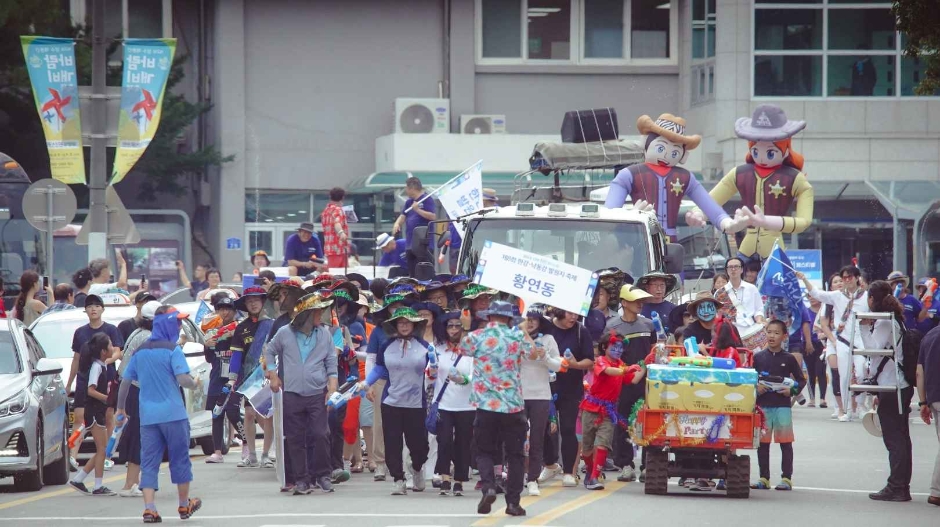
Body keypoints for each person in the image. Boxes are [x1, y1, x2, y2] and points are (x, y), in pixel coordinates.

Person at [117, 306, 202, 523]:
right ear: (167, 324)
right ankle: (184, 505)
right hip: (174, 414)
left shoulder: (140, 351)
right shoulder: (173, 349)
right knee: (180, 459)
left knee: (149, 462)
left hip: (148, 417)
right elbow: (184, 379)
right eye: (177, 322)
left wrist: (120, 408)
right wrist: (195, 383)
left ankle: (149, 508)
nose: (180, 326)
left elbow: (125, 381)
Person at [459, 300, 534, 517]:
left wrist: (465, 326)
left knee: (484, 450)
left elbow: (463, 349)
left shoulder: (477, 336)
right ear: (510, 318)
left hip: (485, 404)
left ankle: (489, 486)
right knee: (516, 455)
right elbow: (534, 354)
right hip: (512, 405)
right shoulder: (516, 336)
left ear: (489, 317)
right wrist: (525, 331)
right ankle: (513, 503)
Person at [265, 291, 339, 495]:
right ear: (305, 315)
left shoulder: (324, 334)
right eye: (317, 313)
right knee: (295, 437)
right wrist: (273, 375)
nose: (321, 316)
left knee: (320, 434)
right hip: (292, 393)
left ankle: (323, 475)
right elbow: (269, 351)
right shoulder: (284, 332)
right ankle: (301, 480)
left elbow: (332, 364)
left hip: (317, 393)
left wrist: (332, 389)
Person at [358, 307, 435, 496]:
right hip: (391, 402)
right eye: (401, 323)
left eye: (408, 322)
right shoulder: (386, 345)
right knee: (392, 443)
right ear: (395, 325)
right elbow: (381, 369)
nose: (404, 326)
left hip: (416, 404)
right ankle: (398, 479)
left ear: (414, 325)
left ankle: (416, 469)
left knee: (419, 446)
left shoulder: (425, 347)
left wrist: (433, 366)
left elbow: (433, 372)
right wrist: (367, 382)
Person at [863, 281, 915, 502]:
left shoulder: (884, 323)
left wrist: (863, 327)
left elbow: (872, 351)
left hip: (892, 387)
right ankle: (901, 486)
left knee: (894, 439)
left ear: (872, 300)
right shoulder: (895, 320)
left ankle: (897, 487)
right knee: (902, 438)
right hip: (898, 386)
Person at [799, 265, 868, 421]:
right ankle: (847, 410)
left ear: (857, 278)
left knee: (862, 373)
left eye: (850, 277)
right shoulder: (837, 295)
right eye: (844, 277)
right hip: (842, 340)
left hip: (861, 341)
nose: (847, 280)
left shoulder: (866, 296)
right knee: (844, 376)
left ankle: (861, 405)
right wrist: (804, 279)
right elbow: (816, 293)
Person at [537, 308, 595, 488]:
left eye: (576, 314)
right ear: (559, 312)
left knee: (568, 428)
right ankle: (550, 464)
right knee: (545, 427)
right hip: (545, 386)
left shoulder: (580, 331)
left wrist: (575, 364)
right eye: (569, 313)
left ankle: (569, 471)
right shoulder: (546, 328)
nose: (573, 317)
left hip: (571, 387)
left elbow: (590, 361)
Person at [66, 294, 124, 467]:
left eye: (97, 306)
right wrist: (69, 383)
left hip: (105, 380)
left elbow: (117, 352)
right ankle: (72, 455)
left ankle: (107, 456)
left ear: (102, 309)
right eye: (90, 306)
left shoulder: (111, 330)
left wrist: (105, 362)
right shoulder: (80, 332)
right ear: (85, 310)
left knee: (107, 418)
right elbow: (76, 359)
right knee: (79, 418)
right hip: (84, 380)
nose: (93, 309)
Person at [581, 331, 643, 491]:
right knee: (586, 448)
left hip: (609, 410)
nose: (618, 350)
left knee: (603, 443)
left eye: (620, 347)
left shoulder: (621, 364)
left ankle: (595, 477)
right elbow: (609, 371)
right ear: (604, 347)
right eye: (614, 346)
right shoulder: (600, 361)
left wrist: (645, 364)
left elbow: (634, 379)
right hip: (590, 408)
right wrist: (627, 369)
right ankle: (590, 471)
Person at [605, 284, 654, 482]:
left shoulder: (649, 325)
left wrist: (643, 369)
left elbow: (653, 352)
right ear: (624, 303)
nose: (639, 304)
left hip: (646, 381)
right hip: (622, 380)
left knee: (649, 422)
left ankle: (648, 465)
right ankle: (625, 464)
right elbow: (609, 354)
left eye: (641, 301)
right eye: (635, 301)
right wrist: (624, 372)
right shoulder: (612, 326)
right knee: (622, 422)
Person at [751, 320, 805, 491]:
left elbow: (801, 379)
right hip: (762, 407)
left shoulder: (789, 359)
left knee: (785, 443)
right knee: (763, 443)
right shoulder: (758, 358)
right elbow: (750, 379)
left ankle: (786, 478)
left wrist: (792, 391)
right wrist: (757, 388)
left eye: (776, 333)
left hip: (783, 407)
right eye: (769, 332)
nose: (772, 336)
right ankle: (763, 478)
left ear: (784, 336)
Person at [115, 301, 161, 498]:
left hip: (133, 390)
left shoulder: (137, 333)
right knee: (138, 438)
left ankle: (135, 482)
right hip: (138, 390)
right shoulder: (148, 338)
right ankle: (129, 484)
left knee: (140, 437)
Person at [517, 305, 562, 496]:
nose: (530, 322)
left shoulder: (548, 339)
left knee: (537, 438)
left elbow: (558, 366)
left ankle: (533, 478)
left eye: (534, 319)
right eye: (527, 318)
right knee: (515, 438)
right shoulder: (516, 337)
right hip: (517, 395)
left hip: (541, 395)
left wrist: (545, 358)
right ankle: (515, 476)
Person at [229, 286, 275, 468]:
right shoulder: (241, 328)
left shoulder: (272, 325)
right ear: (245, 305)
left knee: (267, 416)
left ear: (263, 302)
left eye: (256, 300)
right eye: (249, 301)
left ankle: (267, 454)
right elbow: (236, 356)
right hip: (250, 377)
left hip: (270, 375)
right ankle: (252, 455)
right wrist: (232, 378)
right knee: (248, 414)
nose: (253, 303)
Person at [69, 333, 118, 496]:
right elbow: (90, 390)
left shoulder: (101, 365)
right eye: (110, 345)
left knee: (101, 450)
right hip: (95, 412)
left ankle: (79, 478)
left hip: (98, 411)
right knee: (102, 449)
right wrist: (107, 398)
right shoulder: (96, 367)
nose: (113, 348)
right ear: (103, 351)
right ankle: (97, 486)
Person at [432, 310, 474, 497]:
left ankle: (459, 480)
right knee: (444, 441)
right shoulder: (438, 348)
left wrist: (464, 379)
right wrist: (431, 371)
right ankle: (444, 478)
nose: (454, 329)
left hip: (467, 404)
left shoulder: (471, 349)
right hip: (444, 404)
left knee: (463, 443)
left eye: (458, 325)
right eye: (450, 325)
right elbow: (431, 372)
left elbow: (477, 373)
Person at [202, 295, 242, 464]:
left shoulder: (239, 329)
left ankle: (247, 444)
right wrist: (209, 344)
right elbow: (209, 359)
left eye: (228, 309)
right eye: (221, 309)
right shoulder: (212, 331)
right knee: (216, 414)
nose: (225, 312)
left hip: (234, 378)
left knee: (233, 413)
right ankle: (217, 451)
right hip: (217, 377)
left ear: (234, 311)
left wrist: (232, 336)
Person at [917, 323, 940, 506]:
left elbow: (919, 372)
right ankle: (936, 491)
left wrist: (923, 402)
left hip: (934, 397)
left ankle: (937, 491)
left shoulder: (929, 335)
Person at [722, 257, 766, 348]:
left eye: (736, 266)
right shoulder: (720, 293)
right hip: (731, 335)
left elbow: (759, 309)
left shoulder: (752, 288)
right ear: (726, 270)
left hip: (751, 331)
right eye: (730, 267)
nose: (733, 269)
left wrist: (759, 319)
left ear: (742, 269)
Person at [392, 176, 436, 245]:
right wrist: (397, 224)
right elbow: (403, 216)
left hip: (423, 242)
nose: (406, 190)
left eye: (406, 188)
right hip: (410, 242)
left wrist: (417, 210)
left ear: (412, 188)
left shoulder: (427, 199)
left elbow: (433, 217)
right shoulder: (409, 202)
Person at [805, 296, 827, 408]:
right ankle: (812, 398)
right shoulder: (806, 312)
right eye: (809, 296)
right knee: (810, 372)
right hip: (808, 345)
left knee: (821, 370)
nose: (811, 298)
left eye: (814, 296)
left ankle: (823, 398)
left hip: (822, 344)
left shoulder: (824, 312)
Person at [322, 187, 351, 269]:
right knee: (341, 276)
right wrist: (341, 233)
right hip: (339, 248)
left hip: (329, 248)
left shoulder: (326, 211)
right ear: (342, 197)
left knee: (333, 274)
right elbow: (336, 223)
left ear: (330, 197)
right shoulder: (338, 210)